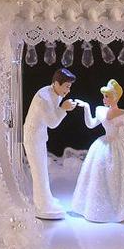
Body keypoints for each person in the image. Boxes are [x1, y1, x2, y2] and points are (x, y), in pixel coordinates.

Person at [71, 79, 124, 222]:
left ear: (115, 97)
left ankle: (123, 205)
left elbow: (123, 134)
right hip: (104, 145)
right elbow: (90, 124)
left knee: (121, 174)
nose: (104, 99)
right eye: (104, 96)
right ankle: (102, 204)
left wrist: (120, 125)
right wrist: (87, 107)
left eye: (107, 96)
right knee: (100, 175)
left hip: (119, 146)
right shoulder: (101, 111)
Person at [23, 67, 77, 219]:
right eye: (67, 86)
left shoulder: (55, 93)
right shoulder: (44, 99)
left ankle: (46, 199)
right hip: (33, 138)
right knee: (39, 172)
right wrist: (64, 109)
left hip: (39, 136)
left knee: (43, 170)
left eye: (70, 87)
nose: (68, 91)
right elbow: (52, 122)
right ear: (57, 83)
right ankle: (42, 205)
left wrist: (62, 107)